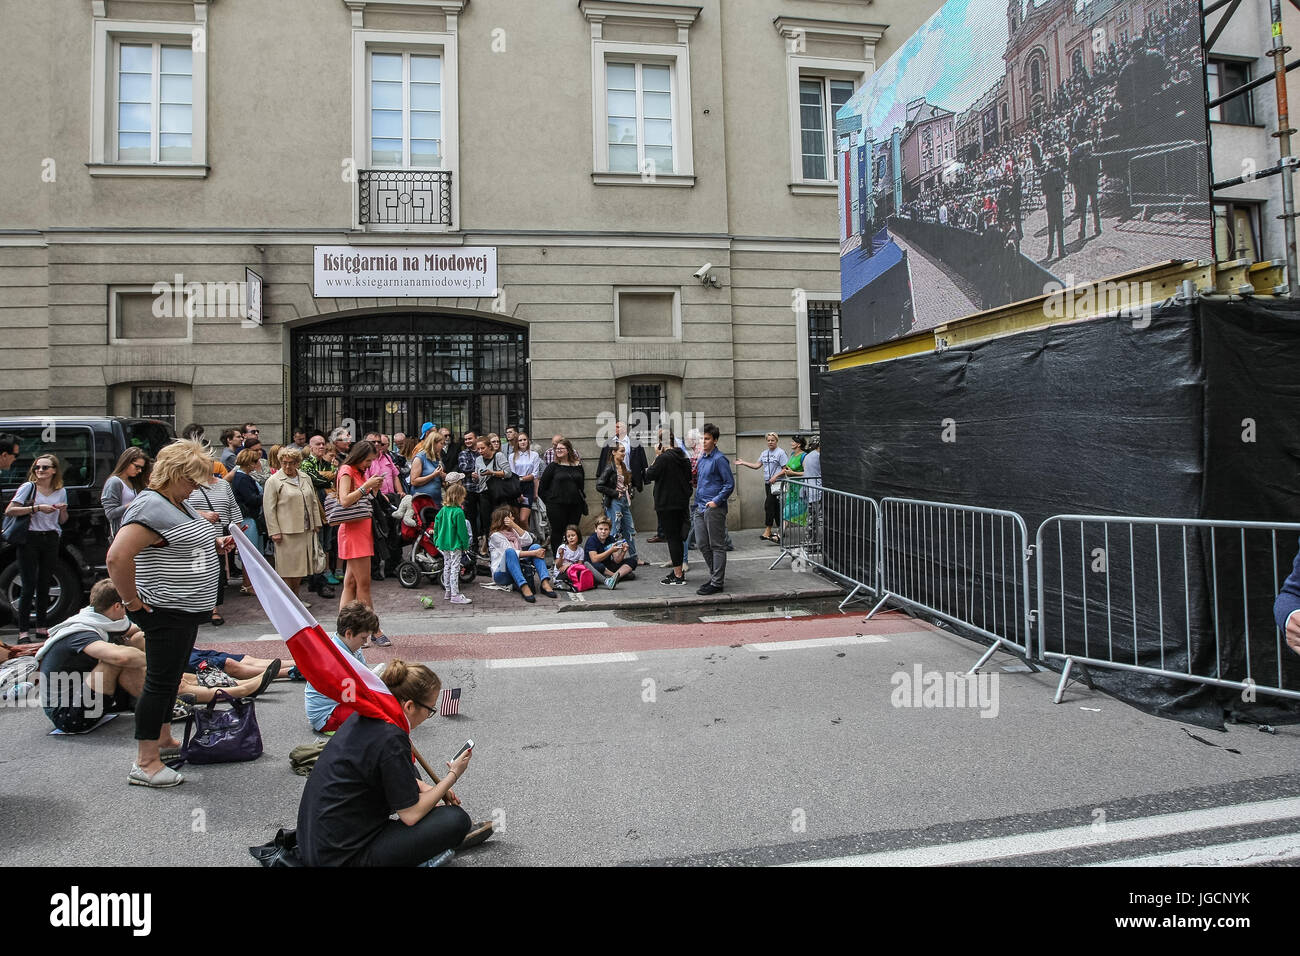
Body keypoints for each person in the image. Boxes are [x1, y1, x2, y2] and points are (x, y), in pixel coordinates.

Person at [107, 438, 234, 788]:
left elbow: (183, 541)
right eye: (191, 478)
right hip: (164, 609)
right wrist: (132, 602)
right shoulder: (150, 505)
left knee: (169, 679)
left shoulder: (175, 501)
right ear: (174, 473)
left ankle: (162, 742)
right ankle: (145, 762)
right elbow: (117, 556)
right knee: (160, 682)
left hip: (182, 609)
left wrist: (217, 542)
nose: (196, 486)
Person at [296, 659, 472, 867]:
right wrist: (452, 776)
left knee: (411, 771)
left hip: (316, 843)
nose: (428, 716)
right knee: (456, 820)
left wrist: (429, 790)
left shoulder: (368, 715)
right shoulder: (391, 738)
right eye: (430, 710)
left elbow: (387, 770)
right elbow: (410, 815)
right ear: (409, 706)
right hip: (344, 858)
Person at [37, 579, 144, 733]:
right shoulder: (81, 632)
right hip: (66, 714)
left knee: (139, 639)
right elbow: (121, 658)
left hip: (87, 696)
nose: (128, 610)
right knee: (116, 659)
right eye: (127, 605)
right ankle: (157, 703)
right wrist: (155, 663)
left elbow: (135, 630)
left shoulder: (98, 618)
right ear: (117, 606)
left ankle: (164, 695)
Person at [4, 453, 69, 640]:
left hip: (50, 537)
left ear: (54, 471)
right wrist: (37, 508)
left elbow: (62, 520)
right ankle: (23, 631)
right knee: (28, 584)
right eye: (37, 467)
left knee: (44, 583)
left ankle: (42, 626)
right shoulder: (29, 487)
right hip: (30, 538)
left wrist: (63, 510)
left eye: (45, 467)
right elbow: (10, 510)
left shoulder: (60, 491)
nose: (40, 470)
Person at [334, 440, 389, 644]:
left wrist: (372, 489)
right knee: (363, 584)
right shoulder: (347, 470)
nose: (369, 464)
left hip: (359, 530)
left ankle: (344, 630)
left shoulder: (356, 470)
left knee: (351, 582)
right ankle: (373, 630)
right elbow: (345, 500)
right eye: (367, 460)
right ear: (359, 456)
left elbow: (363, 499)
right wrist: (367, 487)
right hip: (354, 532)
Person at [304, 601, 379, 732]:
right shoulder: (335, 657)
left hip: (341, 702)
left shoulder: (350, 647)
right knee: (378, 715)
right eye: (363, 638)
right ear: (349, 634)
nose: (365, 642)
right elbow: (350, 696)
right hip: (327, 715)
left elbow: (365, 676)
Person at [263, 447, 326, 602]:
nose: (287, 466)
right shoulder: (273, 481)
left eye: (291, 463)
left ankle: (296, 598)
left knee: (301, 568)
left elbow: (313, 501)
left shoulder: (305, 477)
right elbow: (269, 509)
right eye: (284, 463)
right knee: (287, 568)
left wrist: (316, 523)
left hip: (305, 529)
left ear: (298, 463)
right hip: (286, 531)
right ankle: (288, 601)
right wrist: (274, 531)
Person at [187, 469, 244, 627]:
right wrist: (203, 514)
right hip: (196, 537)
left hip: (219, 535)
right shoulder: (189, 485)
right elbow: (179, 508)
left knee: (216, 572)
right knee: (198, 571)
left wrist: (237, 533)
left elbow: (233, 507)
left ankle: (213, 608)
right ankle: (197, 607)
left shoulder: (224, 484)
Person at [643, 432, 692, 586]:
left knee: (672, 539)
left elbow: (649, 475)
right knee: (677, 537)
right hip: (681, 502)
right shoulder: (683, 456)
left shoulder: (663, 458)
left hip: (666, 504)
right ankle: (678, 569)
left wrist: (657, 456)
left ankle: (678, 575)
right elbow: (689, 476)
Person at [691, 422, 734, 596]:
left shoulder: (719, 459)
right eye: (702, 438)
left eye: (707, 438)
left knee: (717, 545)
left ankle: (717, 582)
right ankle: (715, 575)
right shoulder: (702, 458)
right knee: (702, 543)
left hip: (713, 508)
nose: (704, 441)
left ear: (715, 440)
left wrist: (716, 501)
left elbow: (729, 484)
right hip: (700, 506)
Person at [488, 505, 555, 603]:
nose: (513, 518)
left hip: (517, 567)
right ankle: (523, 586)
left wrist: (514, 525)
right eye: (511, 517)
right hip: (501, 574)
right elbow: (512, 553)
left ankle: (545, 583)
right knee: (510, 552)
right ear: (504, 520)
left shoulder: (513, 531)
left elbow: (529, 540)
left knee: (535, 547)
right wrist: (533, 553)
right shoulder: (495, 536)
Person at [735, 432, 788, 542]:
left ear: (776, 441)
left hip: (778, 484)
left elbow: (785, 469)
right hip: (768, 484)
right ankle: (780, 531)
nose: (770, 442)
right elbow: (756, 465)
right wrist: (743, 462)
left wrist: (776, 476)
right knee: (775, 507)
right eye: (768, 440)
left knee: (768, 505)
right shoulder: (764, 453)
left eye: (772, 440)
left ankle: (767, 530)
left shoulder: (781, 453)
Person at [538, 438, 586, 555]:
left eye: (561, 448)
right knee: (557, 532)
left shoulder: (578, 465)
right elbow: (542, 488)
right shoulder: (553, 467)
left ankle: (572, 557)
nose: (558, 450)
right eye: (557, 448)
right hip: (556, 506)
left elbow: (581, 486)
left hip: (575, 505)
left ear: (568, 450)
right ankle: (557, 559)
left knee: (572, 531)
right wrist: (550, 502)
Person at [597, 443, 640, 567]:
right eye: (621, 451)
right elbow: (599, 485)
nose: (623, 453)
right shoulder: (609, 467)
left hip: (624, 501)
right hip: (614, 502)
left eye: (624, 451)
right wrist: (615, 493)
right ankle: (610, 558)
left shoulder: (623, 466)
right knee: (614, 530)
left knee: (629, 529)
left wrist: (629, 493)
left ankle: (634, 557)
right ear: (614, 452)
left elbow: (627, 484)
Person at [433, 481, 472, 605]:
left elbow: (437, 524)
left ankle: (448, 591)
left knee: (447, 566)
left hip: (444, 543)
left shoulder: (443, 510)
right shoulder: (458, 512)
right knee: (455, 568)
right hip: (455, 544)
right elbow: (462, 531)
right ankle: (455, 594)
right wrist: (465, 545)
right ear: (458, 497)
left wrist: (436, 538)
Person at [101, 447, 151, 540]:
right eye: (137, 466)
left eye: (141, 468)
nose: (139, 471)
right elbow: (110, 513)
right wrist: (133, 504)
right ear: (126, 462)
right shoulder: (114, 482)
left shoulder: (133, 481)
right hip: (122, 534)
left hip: (134, 532)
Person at [473, 436, 510, 548]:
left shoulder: (498, 456)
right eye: (478, 449)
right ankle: (489, 545)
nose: (480, 451)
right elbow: (478, 477)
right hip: (483, 492)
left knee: (499, 519)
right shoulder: (478, 459)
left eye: (482, 448)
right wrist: (475, 477)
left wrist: (492, 472)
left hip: (498, 493)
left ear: (490, 446)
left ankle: (502, 544)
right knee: (486, 520)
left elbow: (508, 473)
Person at [585, 515, 634, 590]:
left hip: (607, 566)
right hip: (594, 567)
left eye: (606, 529)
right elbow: (594, 559)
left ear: (609, 530)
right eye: (600, 529)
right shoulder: (592, 540)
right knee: (599, 566)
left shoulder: (610, 539)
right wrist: (610, 550)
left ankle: (614, 578)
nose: (603, 532)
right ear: (595, 529)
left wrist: (623, 552)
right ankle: (615, 576)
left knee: (632, 561)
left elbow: (617, 560)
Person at [510, 431, 543, 531]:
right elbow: (513, 475)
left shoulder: (534, 455)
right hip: (516, 487)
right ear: (517, 442)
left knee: (523, 519)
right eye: (520, 440)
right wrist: (518, 488)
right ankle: (520, 542)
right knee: (515, 520)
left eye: (525, 439)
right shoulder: (512, 456)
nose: (523, 442)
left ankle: (529, 539)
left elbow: (535, 474)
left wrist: (535, 492)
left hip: (528, 487)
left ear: (528, 441)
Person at [776, 435, 808, 529]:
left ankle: (780, 534)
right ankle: (780, 534)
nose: (791, 443)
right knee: (787, 510)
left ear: (799, 444)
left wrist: (792, 473)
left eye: (793, 441)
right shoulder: (792, 455)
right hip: (792, 488)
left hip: (800, 489)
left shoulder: (804, 456)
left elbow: (807, 472)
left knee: (800, 511)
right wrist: (788, 470)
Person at [409, 428, 446, 503]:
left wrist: (443, 476)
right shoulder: (420, 457)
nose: (443, 446)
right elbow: (414, 481)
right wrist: (433, 475)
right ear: (433, 443)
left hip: (437, 500)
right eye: (441, 443)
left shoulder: (437, 457)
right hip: (423, 501)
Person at [1042, 154, 1067, 261]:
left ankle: (1050, 251)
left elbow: (1043, 191)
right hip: (1058, 202)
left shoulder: (1045, 175)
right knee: (1060, 228)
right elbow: (1062, 185)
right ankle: (1061, 251)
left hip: (1050, 204)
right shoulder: (1058, 171)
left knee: (1051, 228)